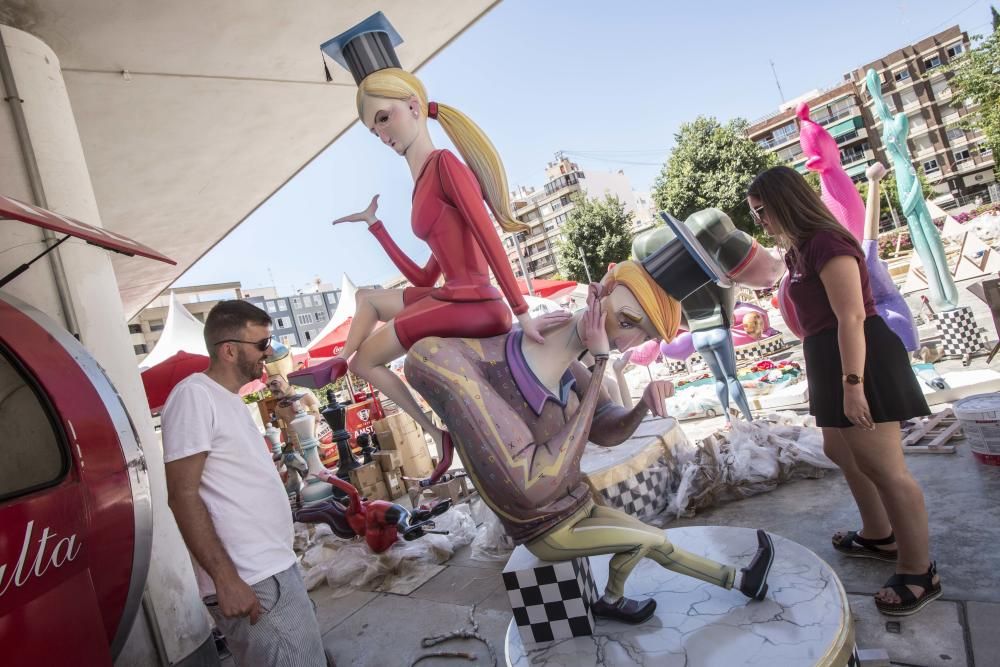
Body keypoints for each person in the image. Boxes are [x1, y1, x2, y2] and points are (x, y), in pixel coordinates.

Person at [404, 264, 775, 624]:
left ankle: (631, 596)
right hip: (547, 528)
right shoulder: (495, 368)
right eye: (628, 322)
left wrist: (643, 403)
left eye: (641, 335)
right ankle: (725, 583)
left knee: (655, 539)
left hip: (578, 504)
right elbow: (532, 484)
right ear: (597, 296)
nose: (628, 341)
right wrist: (600, 365)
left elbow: (607, 429)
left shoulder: (570, 371)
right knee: (649, 540)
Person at [305, 15, 542, 486]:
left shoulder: (446, 165)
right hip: (454, 295)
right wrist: (377, 228)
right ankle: (338, 365)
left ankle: (436, 435)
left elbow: (490, 236)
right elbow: (422, 280)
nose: (382, 134)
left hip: (478, 303)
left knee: (365, 361)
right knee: (368, 299)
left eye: (384, 119)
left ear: (414, 105)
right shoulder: (420, 185)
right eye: (374, 130)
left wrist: (522, 312)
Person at [747, 166, 939, 616]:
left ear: (784, 204)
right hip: (829, 357)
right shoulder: (798, 250)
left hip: (860, 358)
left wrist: (853, 385)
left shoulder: (826, 243)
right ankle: (879, 534)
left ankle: (919, 570)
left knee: (885, 467)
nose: (760, 222)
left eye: (762, 212)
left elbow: (852, 317)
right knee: (841, 449)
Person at [162, 301, 326, 665]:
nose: (269, 352)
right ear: (230, 350)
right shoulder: (194, 396)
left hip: (268, 571)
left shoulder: (230, 401)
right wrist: (226, 580)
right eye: (262, 343)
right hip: (251, 579)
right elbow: (183, 495)